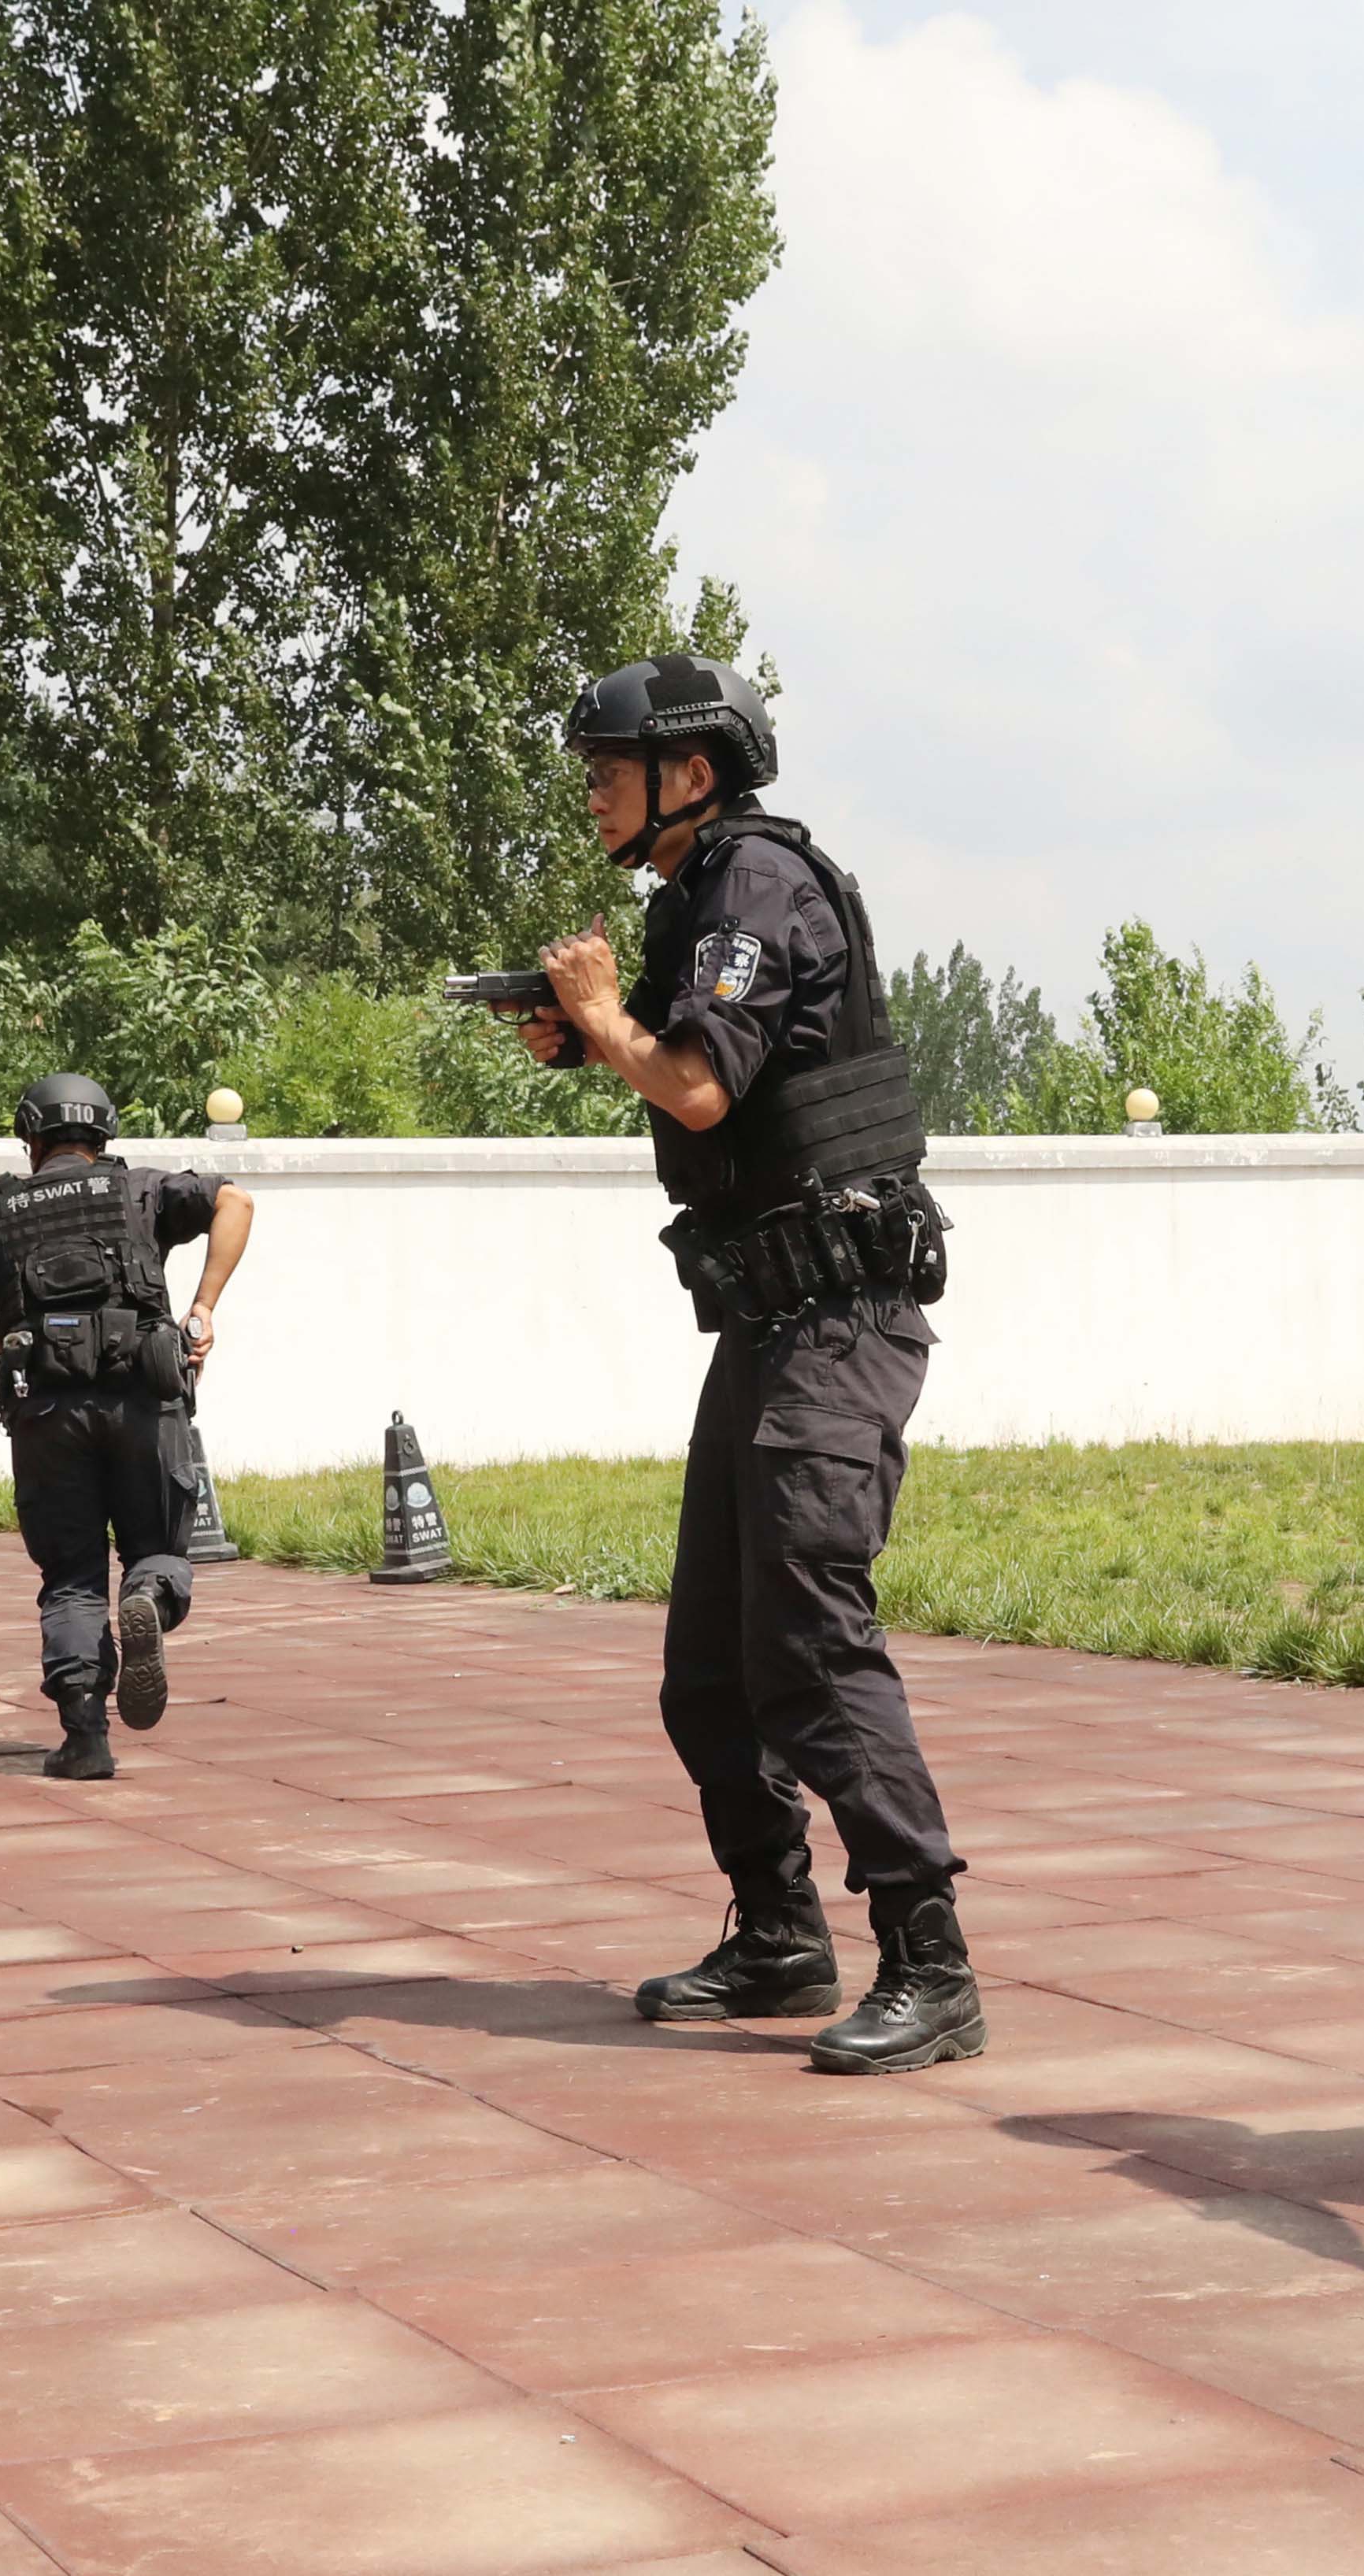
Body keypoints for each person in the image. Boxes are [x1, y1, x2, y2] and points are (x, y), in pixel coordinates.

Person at [518, 656, 980, 2074]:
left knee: (807, 1646)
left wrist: (603, 1021)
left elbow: (701, 1083)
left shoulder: (757, 887)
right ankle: (780, 1932)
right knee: (709, 1674)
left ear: (693, 770)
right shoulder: (694, 898)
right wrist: (587, 1035)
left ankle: (930, 1962)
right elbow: (690, 1067)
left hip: (837, 1320)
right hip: (768, 1321)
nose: (590, 785)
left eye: (611, 764)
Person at [0, 1074, 254, 1778]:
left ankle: (85, 1738)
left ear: (30, 1137)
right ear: (103, 1134)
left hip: (46, 1414)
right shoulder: (144, 1191)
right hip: (145, 1397)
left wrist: (24, 1338)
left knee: (71, 1578)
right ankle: (148, 1597)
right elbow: (236, 1200)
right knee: (156, 1547)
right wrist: (202, 1308)